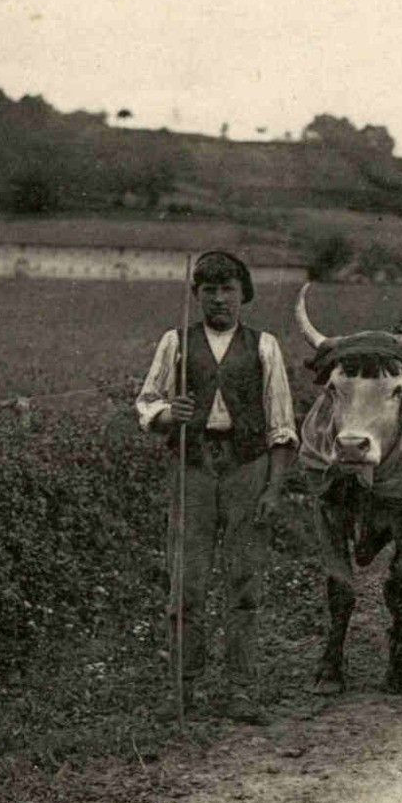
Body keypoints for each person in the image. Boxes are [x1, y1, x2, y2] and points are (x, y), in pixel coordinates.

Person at [135, 250, 297, 724]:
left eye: (228, 290)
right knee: (187, 582)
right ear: (197, 296)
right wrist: (169, 414)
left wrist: (273, 488)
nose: (219, 299)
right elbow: (147, 402)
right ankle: (182, 691)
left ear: (243, 296)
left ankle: (241, 691)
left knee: (245, 581)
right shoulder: (175, 343)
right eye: (209, 290)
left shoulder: (264, 346)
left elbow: (282, 423)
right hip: (194, 469)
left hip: (248, 468)